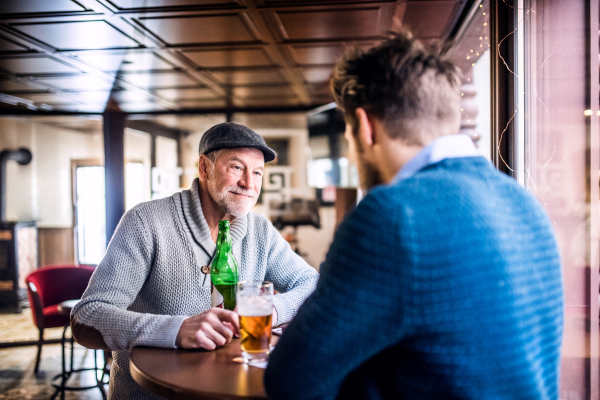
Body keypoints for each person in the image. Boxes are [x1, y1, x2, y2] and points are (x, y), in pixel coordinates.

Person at [264, 30, 563, 400]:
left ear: (365, 126)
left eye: (348, 135)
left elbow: (291, 379)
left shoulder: (391, 217)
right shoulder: (524, 203)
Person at [71, 122, 319, 399]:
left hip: (233, 389)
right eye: (236, 167)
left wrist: (274, 310)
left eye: (257, 172)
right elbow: (86, 319)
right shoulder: (145, 222)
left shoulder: (260, 230)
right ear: (204, 168)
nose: (249, 183)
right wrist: (175, 330)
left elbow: (312, 282)